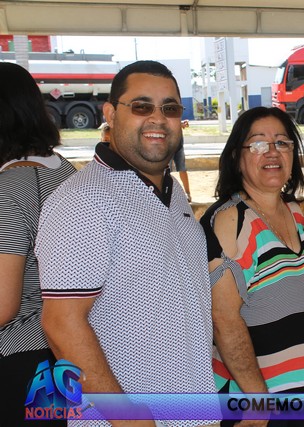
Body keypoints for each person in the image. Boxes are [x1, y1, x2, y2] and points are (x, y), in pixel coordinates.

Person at [35, 61, 217, 426]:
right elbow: (61, 323)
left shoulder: (171, 191)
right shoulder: (84, 199)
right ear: (110, 113)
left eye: (169, 108)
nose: (157, 118)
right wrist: (127, 416)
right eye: (141, 106)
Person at [200, 106, 304, 427]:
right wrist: (257, 399)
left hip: (294, 395)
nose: (272, 152)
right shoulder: (232, 220)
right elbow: (223, 318)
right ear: (236, 157)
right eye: (257, 143)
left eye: (282, 142)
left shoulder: (294, 211)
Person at [0, 62, 76, 426]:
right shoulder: (67, 172)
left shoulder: (8, 190)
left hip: (19, 357)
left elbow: (3, 305)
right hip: (69, 350)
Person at [171, 119, 192, 202]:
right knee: (165, 171)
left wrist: (182, 123)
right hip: (166, 144)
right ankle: (166, 194)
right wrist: (180, 124)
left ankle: (187, 193)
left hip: (178, 143)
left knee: (182, 168)